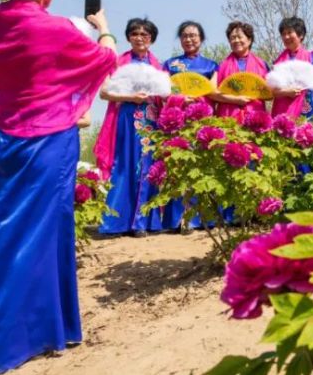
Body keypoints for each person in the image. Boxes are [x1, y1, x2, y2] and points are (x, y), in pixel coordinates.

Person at [0, 0, 117, 375]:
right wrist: (104, 25)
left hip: (10, 140)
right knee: (41, 233)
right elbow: (103, 59)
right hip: (48, 140)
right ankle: (12, 340)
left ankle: (47, 327)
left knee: (11, 230)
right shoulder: (50, 28)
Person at [95, 18, 168, 237]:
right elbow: (104, 93)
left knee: (149, 167)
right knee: (125, 165)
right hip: (126, 119)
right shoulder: (118, 62)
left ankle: (145, 222)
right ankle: (118, 222)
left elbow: (165, 94)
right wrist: (130, 97)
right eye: (135, 34)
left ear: (151, 39)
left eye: (145, 34)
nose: (139, 38)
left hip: (151, 121)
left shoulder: (159, 65)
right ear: (128, 37)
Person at [161, 20, 218, 231]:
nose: (189, 39)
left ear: (201, 39)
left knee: (203, 165)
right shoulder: (170, 65)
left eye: (193, 35)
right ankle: (177, 219)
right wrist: (180, 99)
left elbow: (214, 92)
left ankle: (204, 218)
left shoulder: (212, 66)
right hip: (177, 119)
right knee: (178, 166)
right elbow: (165, 90)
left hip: (202, 120)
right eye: (185, 35)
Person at [209, 21, 270, 120]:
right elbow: (211, 92)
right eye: (232, 38)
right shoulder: (221, 66)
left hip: (255, 117)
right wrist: (235, 99)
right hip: (228, 119)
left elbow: (270, 94)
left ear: (249, 40)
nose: (236, 40)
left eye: (239, 37)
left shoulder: (262, 65)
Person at [270, 16, 313, 119]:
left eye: (290, 32)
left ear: (301, 35)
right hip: (282, 113)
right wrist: (286, 92)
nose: (286, 37)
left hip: (307, 113)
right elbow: (272, 91)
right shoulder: (277, 63)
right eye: (283, 34)